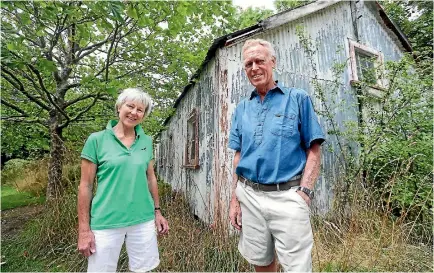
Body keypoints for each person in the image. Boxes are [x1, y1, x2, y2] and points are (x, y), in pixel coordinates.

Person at [228, 39, 325, 272]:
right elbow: (238, 155)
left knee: (297, 267)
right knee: (260, 262)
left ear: (273, 62)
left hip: (288, 197)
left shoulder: (297, 98)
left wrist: (305, 191)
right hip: (249, 195)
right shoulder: (241, 109)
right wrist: (235, 198)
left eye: (260, 61)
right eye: (248, 63)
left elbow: (314, 148)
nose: (254, 68)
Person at [77, 88, 169, 272]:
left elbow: (150, 178)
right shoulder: (96, 140)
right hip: (106, 221)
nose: (134, 112)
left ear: (144, 115)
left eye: (140, 110)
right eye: (130, 106)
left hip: (143, 219)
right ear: (119, 107)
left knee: (143, 269)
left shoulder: (146, 141)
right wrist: (84, 230)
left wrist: (157, 212)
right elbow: (85, 186)